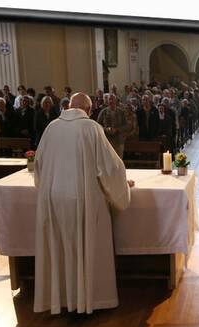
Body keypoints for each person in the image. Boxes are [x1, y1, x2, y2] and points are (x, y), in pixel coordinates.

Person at [33, 92, 134, 315]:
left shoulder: (51, 128)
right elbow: (111, 169)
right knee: (87, 246)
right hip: (86, 200)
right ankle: (90, 300)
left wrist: (49, 188)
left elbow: (38, 166)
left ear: (69, 106)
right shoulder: (92, 129)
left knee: (61, 246)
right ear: (89, 110)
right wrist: (123, 188)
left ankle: (63, 299)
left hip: (54, 198)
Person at [97, 94, 130, 158]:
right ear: (107, 101)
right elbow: (98, 125)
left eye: (113, 99)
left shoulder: (121, 112)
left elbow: (127, 126)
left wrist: (117, 129)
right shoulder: (103, 112)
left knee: (119, 160)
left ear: (116, 100)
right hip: (107, 140)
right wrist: (106, 129)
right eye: (110, 99)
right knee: (108, 159)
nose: (111, 101)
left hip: (119, 140)